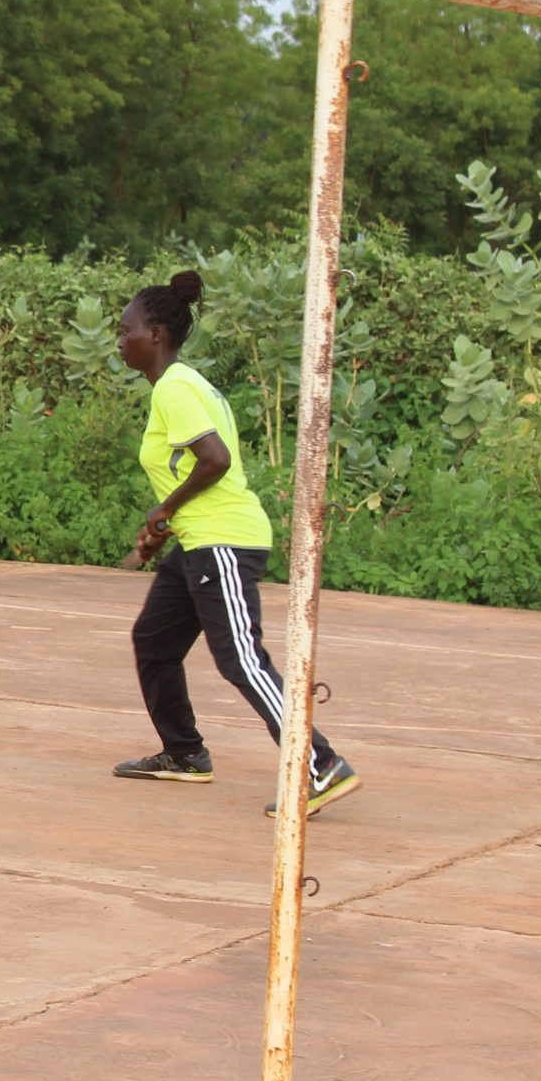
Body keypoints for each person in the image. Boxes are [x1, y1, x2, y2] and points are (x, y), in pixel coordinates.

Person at [111, 270, 360, 817]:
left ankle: (319, 765)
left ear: (155, 334)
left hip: (222, 540)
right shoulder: (181, 386)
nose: (118, 338)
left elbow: (216, 462)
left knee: (242, 660)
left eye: (125, 328)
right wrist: (164, 528)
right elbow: (196, 466)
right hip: (199, 540)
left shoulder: (176, 386)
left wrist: (165, 508)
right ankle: (184, 753)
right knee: (154, 641)